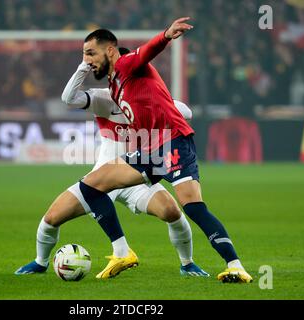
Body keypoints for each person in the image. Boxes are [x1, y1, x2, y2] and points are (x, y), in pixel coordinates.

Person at [76, 17, 253, 283]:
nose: (87, 60)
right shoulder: (114, 85)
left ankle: (235, 266)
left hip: (173, 142)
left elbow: (146, 52)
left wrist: (166, 35)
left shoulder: (126, 64)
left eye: (91, 53)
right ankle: (122, 251)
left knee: (193, 207)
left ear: (110, 50)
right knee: (91, 186)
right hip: (149, 149)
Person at [15, 48, 209, 279]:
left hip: (136, 176)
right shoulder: (104, 98)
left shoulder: (149, 98)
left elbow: (185, 111)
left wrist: (160, 100)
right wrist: (83, 68)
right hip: (104, 178)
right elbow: (69, 98)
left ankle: (187, 264)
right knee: (51, 219)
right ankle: (40, 262)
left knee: (172, 212)